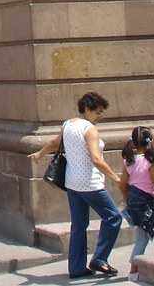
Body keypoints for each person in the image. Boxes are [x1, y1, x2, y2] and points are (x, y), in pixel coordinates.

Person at [30, 90, 122, 279]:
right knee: (114, 218)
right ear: (87, 110)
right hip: (90, 184)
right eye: (98, 112)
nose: (100, 116)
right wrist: (117, 178)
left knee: (79, 225)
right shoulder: (90, 130)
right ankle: (100, 258)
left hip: (72, 183)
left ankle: (76, 268)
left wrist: (39, 154)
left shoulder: (68, 124)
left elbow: (54, 143)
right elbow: (96, 159)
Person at [119, 125, 154, 282]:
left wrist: (128, 198)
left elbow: (122, 184)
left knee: (148, 233)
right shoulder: (151, 161)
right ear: (151, 141)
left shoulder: (129, 161)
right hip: (148, 202)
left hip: (136, 202)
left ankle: (135, 270)